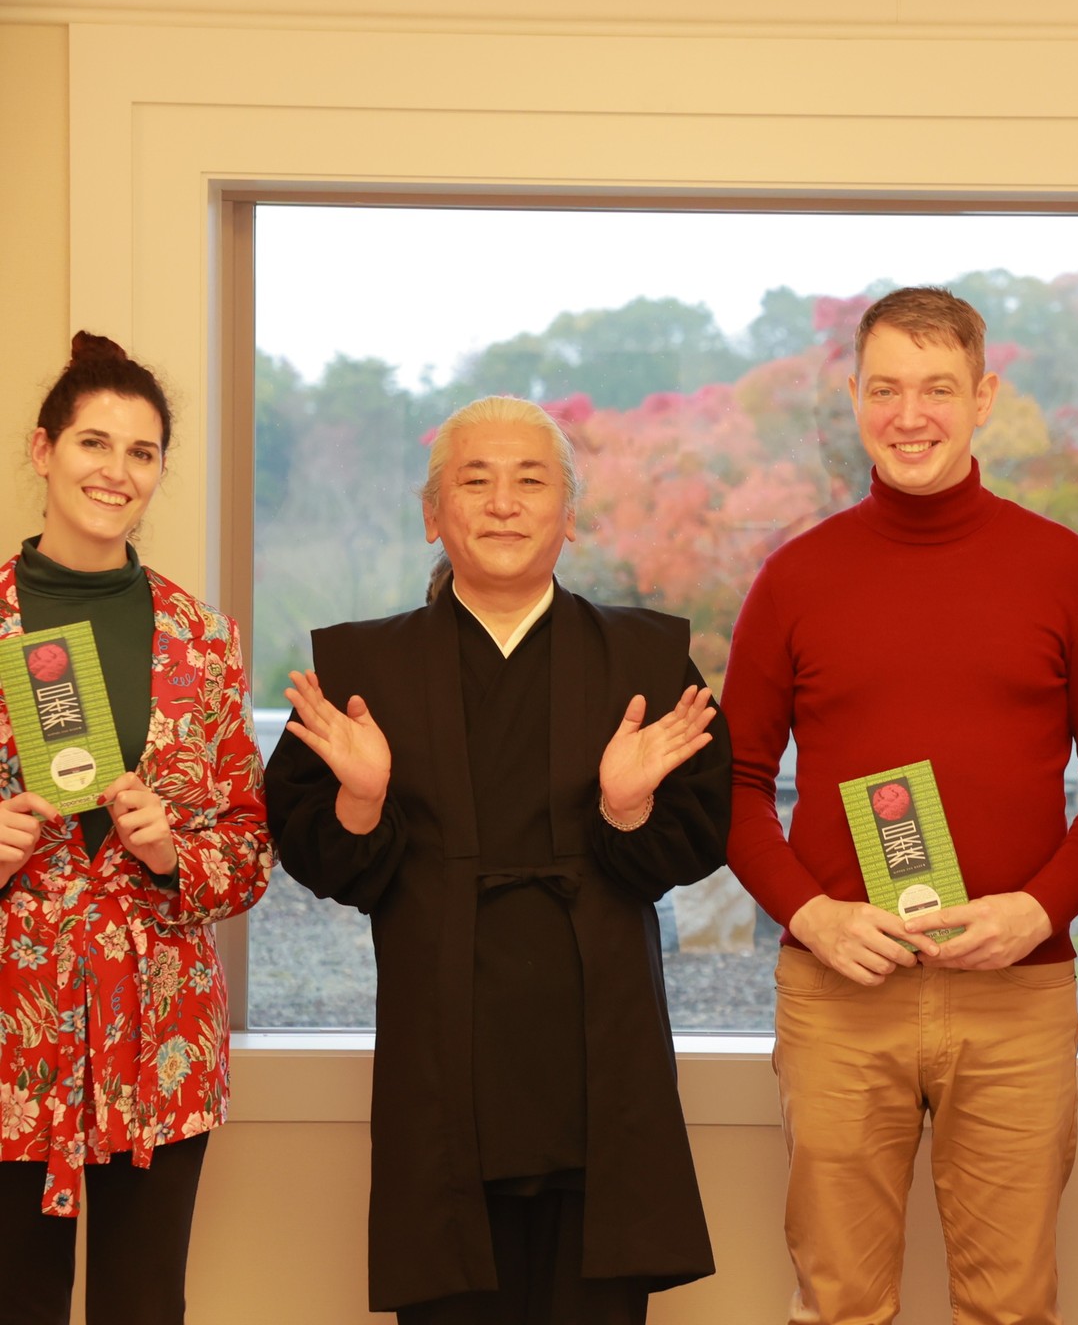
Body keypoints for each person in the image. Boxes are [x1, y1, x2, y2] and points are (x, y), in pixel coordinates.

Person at [723, 286, 1078, 1325]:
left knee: (1011, 1306)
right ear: (856, 398)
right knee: (839, 1303)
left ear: (983, 395)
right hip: (840, 989)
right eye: (886, 389)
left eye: (938, 389)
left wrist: (1039, 910)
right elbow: (728, 787)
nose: (910, 414)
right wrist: (813, 918)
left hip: (1019, 994)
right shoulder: (794, 578)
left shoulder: (1067, 572)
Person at [264, 395, 730, 1324]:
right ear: (434, 515)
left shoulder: (647, 657)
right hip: (445, 1054)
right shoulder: (365, 670)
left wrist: (626, 807)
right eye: (474, 481)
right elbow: (320, 852)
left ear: (570, 512)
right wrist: (360, 797)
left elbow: (698, 832)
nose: (504, 503)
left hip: (600, 1054)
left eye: (532, 481)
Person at [0, 332, 273, 1324]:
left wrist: (171, 852)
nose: (116, 471)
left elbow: (248, 850)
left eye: (142, 452)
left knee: (144, 1304)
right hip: (11, 1033)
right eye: (93, 442)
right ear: (43, 451)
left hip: (158, 1034)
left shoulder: (201, 640)